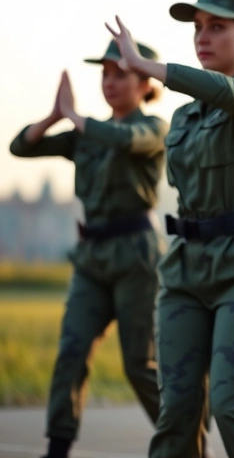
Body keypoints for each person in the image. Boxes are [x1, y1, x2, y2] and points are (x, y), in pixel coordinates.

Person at [104, 0, 234, 458]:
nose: (202, 37)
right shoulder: (187, 116)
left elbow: (229, 94)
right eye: (197, 29)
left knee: (232, 407)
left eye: (216, 27)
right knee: (177, 416)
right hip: (185, 270)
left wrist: (150, 66)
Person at [10, 41, 173, 458]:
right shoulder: (85, 132)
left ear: (144, 83)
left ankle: (184, 444)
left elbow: (126, 140)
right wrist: (54, 115)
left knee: (140, 365)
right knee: (72, 351)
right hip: (92, 258)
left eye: (120, 74)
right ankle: (58, 447)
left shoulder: (153, 126)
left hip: (136, 256)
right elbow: (21, 148)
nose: (110, 82)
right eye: (105, 74)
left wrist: (76, 118)